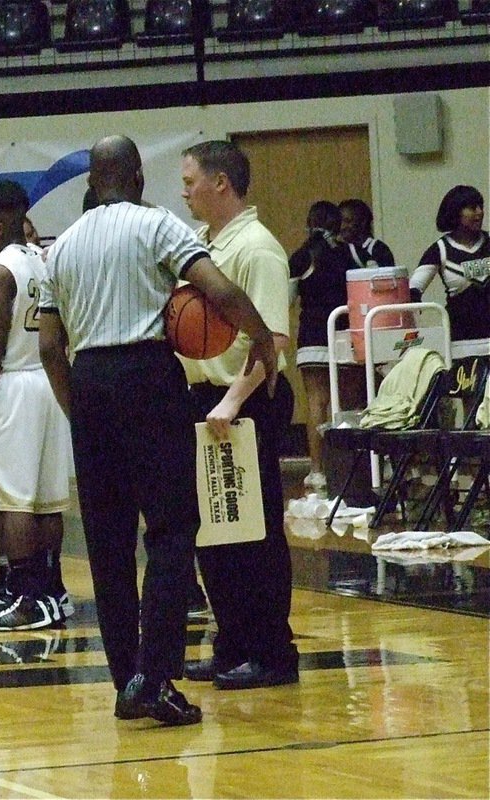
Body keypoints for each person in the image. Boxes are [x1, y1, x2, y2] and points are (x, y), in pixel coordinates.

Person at [41, 135, 278, 726]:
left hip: (88, 378)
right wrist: (263, 340)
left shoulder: (60, 246)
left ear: (92, 184)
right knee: (172, 532)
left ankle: (127, 682)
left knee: (107, 543)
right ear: (138, 178)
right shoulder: (155, 226)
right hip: (147, 376)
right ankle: (158, 674)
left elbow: (49, 346)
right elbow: (218, 290)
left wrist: (80, 411)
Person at [179, 139, 299, 692]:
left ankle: (274, 652)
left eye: (189, 181)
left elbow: (272, 337)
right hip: (209, 400)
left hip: (246, 398)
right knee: (216, 530)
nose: (183, 191)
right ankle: (232, 646)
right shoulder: (206, 244)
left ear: (220, 182)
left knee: (254, 530)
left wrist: (233, 399)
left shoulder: (258, 248)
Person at [0, 180, 73, 631]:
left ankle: (25, 596)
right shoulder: (43, 262)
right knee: (46, 500)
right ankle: (52, 590)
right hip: (47, 382)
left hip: (14, 387)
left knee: (14, 500)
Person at [287, 201, 364, 491]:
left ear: (309, 223)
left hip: (312, 338)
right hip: (344, 337)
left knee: (316, 403)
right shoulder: (350, 254)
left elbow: (285, 301)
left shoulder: (300, 257)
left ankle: (317, 470)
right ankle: (347, 469)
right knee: (346, 404)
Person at [410, 185, 489, 367]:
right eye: (471, 208)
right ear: (455, 212)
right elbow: (413, 289)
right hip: (461, 343)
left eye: (480, 206)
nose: (479, 212)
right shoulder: (440, 249)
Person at [338, 198, 395, 268]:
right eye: (340, 222)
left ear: (363, 221)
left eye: (348, 221)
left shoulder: (379, 249)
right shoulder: (341, 251)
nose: (342, 227)